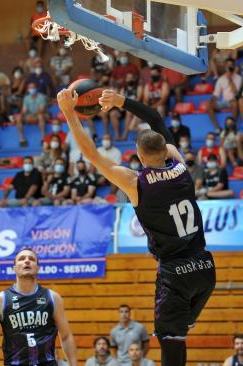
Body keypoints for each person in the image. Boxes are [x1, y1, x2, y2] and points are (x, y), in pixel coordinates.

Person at [63, 88, 216, 366]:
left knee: (171, 340)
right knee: (177, 331)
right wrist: (122, 101)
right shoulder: (181, 166)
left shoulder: (136, 183)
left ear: (140, 156)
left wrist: (69, 115)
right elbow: (156, 119)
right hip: (205, 269)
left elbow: (93, 156)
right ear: (165, 150)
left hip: (176, 272)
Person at [0, 248, 78, 366]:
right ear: (14, 268)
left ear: (38, 268)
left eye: (32, 259)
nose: (27, 261)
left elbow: (66, 336)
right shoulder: (0, 300)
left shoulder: (53, 298)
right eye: (22, 259)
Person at [208, 59, 242, 132]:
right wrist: (212, 101)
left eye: (231, 65)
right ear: (225, 67)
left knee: (234, 103)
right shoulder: (221, 79)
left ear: (234, 66)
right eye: (228, 65)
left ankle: (232, 127)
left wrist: (230, 79)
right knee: (209, 105)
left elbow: (236, 93)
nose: (229, 67)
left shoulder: (239, 77)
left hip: (234, 100)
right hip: (224, 102)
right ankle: (217, 128)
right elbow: (216, 94)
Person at [16, 82, 48, 147]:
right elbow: (24, 110)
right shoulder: (26, 98)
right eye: (30, 88)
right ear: (28, 89)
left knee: (40, 116)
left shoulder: (41, 96)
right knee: (18, 117)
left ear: (36, 88)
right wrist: (21, 114)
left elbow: (42, 110)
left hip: (40, 115)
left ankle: (43, 138)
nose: (32, 89)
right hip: (30, 116)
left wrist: (32, 115)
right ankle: (21, 139)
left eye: (33, 87)